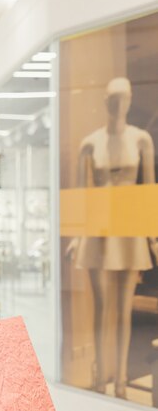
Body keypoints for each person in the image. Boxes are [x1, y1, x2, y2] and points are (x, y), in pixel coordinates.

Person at [66, 77, 158, 399]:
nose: (119, 105)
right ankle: (99, 379)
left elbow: (147, 191)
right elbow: (80, 195)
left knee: (123, 309)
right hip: (98, 231)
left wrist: (152, 237)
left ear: (130, 101)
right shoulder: (90, 143)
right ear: (105, 102)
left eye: (124, 98)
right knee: (101, 308)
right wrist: (77, 235)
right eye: (113, 99)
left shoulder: (141, 139)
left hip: (129, 231)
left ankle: (119, 381)